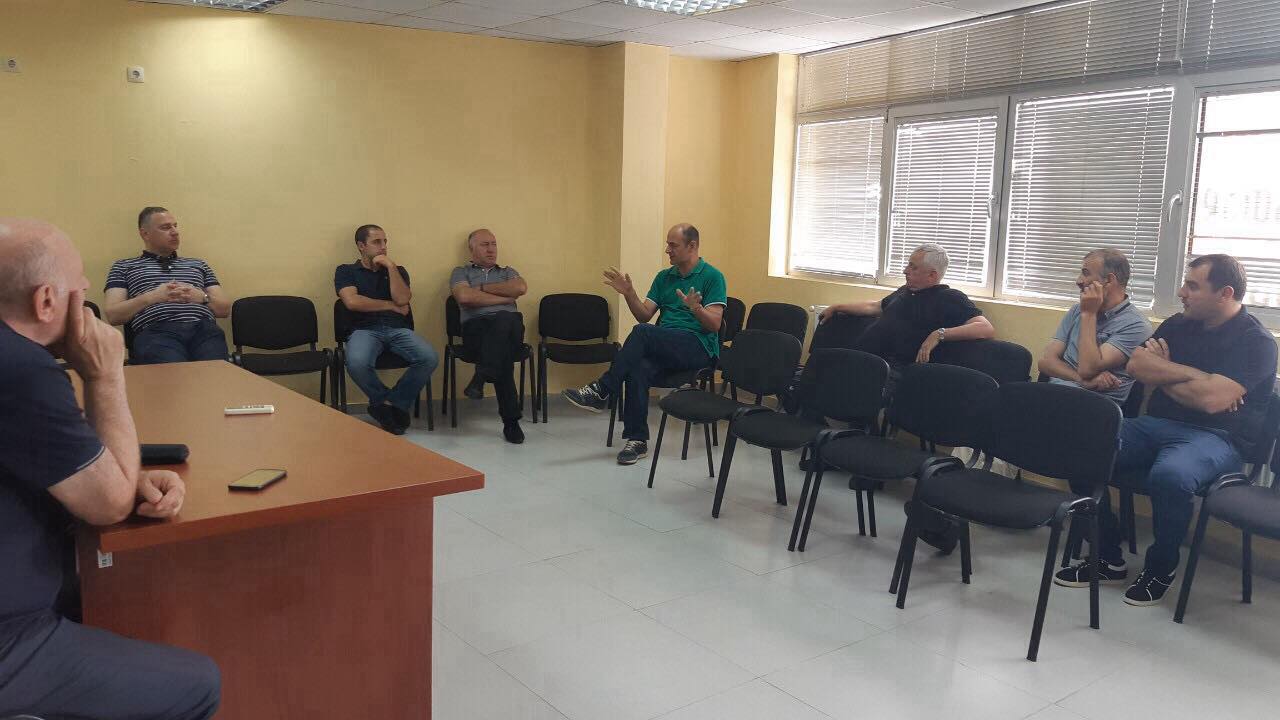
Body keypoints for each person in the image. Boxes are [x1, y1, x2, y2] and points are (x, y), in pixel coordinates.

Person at [0, 218, 221, 719]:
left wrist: (116, 474)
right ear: (46, 302)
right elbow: (109, 505)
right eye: (79, 290)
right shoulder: (22, 369)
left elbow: (36, 455)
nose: (87, 304)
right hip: (12, 635)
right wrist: (105, 374)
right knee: (197, 683)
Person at [1056, 254, 1276, 606]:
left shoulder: (1257, 342)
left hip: (1219, 439)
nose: (1181, 293)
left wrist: (1164, 371)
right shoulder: (1178, 323)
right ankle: (1106, 556)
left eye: (1192, 286)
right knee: (1079, 448)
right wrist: (1197, 378)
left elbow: (1212, 402)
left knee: (1171, 475)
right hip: (1155, 425)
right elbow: (1138, 366)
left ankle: (1160, 568)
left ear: (1225, 293)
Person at [563, 224, 726, 465]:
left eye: (673, 245)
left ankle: (603, 389)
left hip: (697, 347)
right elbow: (644, 315)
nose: (667, 250)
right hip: (667, 344)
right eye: (667, 244)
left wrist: (697, 309)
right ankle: (637, 440)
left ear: (692, 246)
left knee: (642, 333)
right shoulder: (664, 277)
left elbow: (714, 325)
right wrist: (629, 293)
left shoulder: (713, 277)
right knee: (637, 368)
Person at [819, 243, 994, 377]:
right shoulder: (905, 291)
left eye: (913, 267)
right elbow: (875, 307)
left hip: (892, 372)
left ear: (932, 275)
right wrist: (837, 307)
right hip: (864, 361)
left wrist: (938, 334)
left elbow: (985, 328)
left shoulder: (949, 297)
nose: (905, 271)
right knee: (822, 373)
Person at [335, 224, 438, 435]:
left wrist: (390, 267)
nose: (383, 247)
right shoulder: (346, 271)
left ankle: (392, 404)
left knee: (429, 357)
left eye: (385, 242)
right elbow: (352, 302)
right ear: (361, 246)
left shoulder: (398, 271)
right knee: (356, 363)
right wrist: (390, 305)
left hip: (397, 329)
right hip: (363, 329)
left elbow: (403, 299)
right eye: (376, 242)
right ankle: (385, 403)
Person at [103, 207, 231, 364]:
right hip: (156, 331)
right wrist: (153, 297)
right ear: (145, 234)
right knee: (175, 375)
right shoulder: (124, 266)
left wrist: (202, 297)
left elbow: (224, 309)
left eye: (175, 226)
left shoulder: (198, 264)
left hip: (203, 330)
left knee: (215, 373)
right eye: (165, 227)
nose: (175, 232)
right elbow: (113, 315)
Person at [1038, 249, 1152, 404]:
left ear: (1109, 280)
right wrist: (1080, 380)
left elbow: (1087, 369)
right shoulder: (1077, 310)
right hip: (1056, 394)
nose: (1079, 281)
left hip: (1095, 406)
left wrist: (1089, 315)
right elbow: (1045, 362)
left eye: (1086, 273)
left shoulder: (1136, 325)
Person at [450, 229, 527, 444]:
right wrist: (505, 298)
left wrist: (481, 289)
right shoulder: (460, 272)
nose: (491, 249)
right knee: (502, 350)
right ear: (472, 248)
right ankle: (511, 422)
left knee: (504, 320)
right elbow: (464, 296)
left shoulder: (508, 271)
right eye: (485, 245)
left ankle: (481, 377)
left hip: (511, 329)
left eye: (494, 244)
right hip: (476, 330)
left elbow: (520, 287)